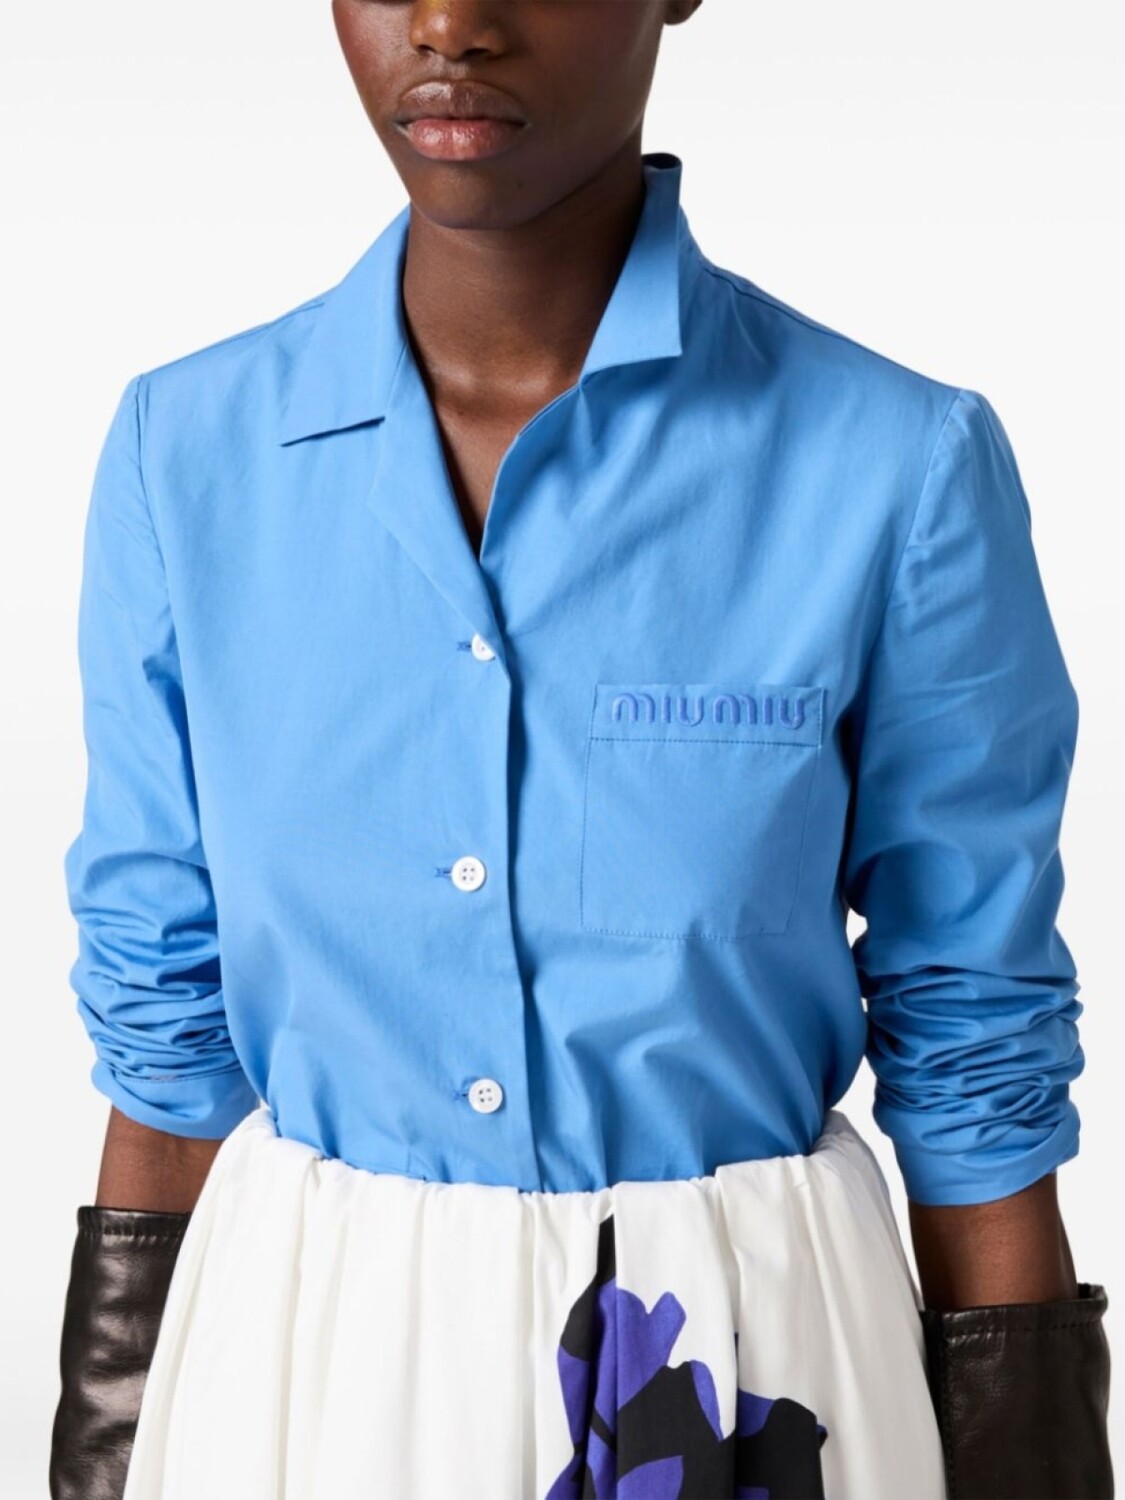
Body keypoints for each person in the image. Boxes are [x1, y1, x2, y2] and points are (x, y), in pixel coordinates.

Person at [49, 3, 1112, 1498]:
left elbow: (972, 1037)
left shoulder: (893, 467)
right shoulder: (187, 455)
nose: (448, 23)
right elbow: (165, 1033)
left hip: (750, 1374)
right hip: (300, 1372)